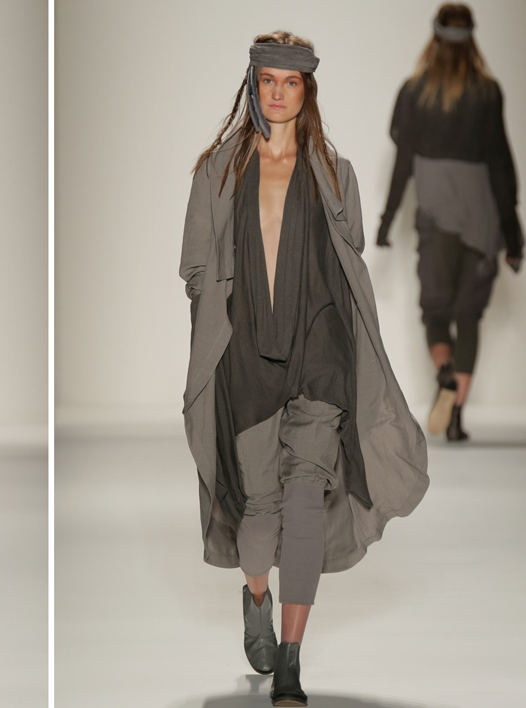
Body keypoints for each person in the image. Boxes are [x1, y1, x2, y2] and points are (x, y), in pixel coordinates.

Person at [179, 31, 428, 706]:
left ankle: (290, 660)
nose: (278, 93)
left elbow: (350, 253)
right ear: (253, 85)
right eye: (268, 80)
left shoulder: (335, 172)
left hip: (319, 350)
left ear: (307, 89)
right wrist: (218, 318)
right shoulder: (217, 170)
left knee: (305, 498)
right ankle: (256, 596)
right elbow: (195, 264)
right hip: (246, 356)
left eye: (290, 82)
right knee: (259, 508)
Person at [377, 2, 522, 442]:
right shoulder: (488, 93)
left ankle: (443, 371)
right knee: (469, 317)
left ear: (434, 38)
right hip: (481, 218)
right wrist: (514, 235)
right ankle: (457, 414)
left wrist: (387, 220)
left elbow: (403, 160)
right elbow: (501, 164)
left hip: (436, 215)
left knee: (435, 312)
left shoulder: (414, 92)